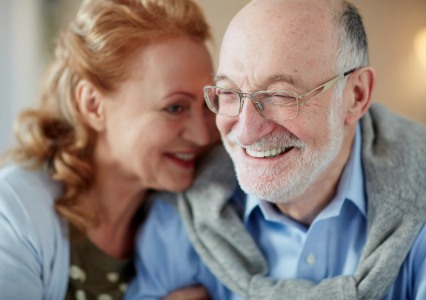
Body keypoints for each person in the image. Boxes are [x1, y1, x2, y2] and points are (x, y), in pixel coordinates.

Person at [126, 0, 426, 299]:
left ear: (356, 96)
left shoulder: (419, 213)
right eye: (229, 93)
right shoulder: (177, 224)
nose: (244, 131)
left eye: (280, 95)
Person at [0, 0, 221, 299]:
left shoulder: (201, 211)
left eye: (208, 104)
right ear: (93, 105)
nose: (202, 133)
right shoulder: (13, 211)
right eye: (175, 107)